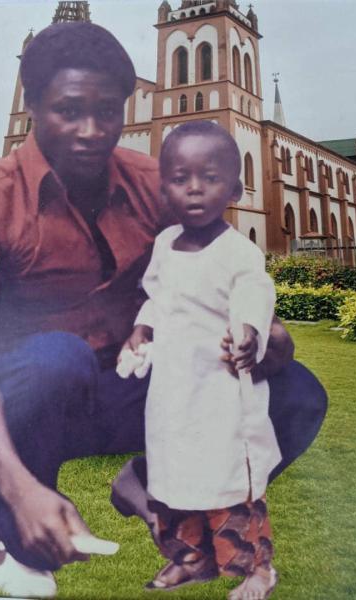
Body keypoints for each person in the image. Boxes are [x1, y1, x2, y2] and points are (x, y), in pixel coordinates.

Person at [0, 21, 327, 599]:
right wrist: (14, 485)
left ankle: (150, 484)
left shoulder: (160, 184)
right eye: (68, 110)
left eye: (108, 111)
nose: (91, 131)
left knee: (299, 392)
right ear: (31, 104)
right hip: (38, 399)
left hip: (143, 385)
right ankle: (11, 533)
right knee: (57, 358)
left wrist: (263, 335)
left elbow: (214, 276)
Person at [117, 121, 282, 599]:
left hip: (220, 392)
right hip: (173, 392)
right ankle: (190, 557)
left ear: (234, 187)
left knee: (230, 480)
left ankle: (257, 569)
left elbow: (254, 294)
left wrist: (249, 333)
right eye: (179, 177)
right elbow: (157, 297)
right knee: (176, 475)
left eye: (209, 177)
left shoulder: (239, 253)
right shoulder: (165, 244)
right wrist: (143, 326)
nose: (194, 189)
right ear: (163, 186)